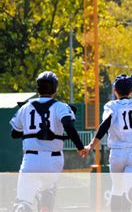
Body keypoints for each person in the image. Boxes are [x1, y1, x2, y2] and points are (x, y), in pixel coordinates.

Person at [10, 71, 87, 211]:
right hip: (53, 160)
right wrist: (80, 147)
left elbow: (14, 133)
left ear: (37, 88)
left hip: (31, 160)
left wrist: (31, 132)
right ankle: (45, 204)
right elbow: (69, 125)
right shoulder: (61, 107)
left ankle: (24, 206)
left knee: (23, 202)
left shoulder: (26, 107)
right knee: (47, 196)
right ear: (55, 89)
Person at [85, 75, 132, 212]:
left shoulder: (111, 105)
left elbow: (105, 125)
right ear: (131, 92)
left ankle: (130, 189)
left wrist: (91, 144)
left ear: (115, 90)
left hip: (117, 152)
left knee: (117, 188)